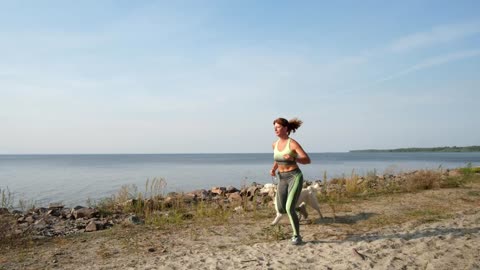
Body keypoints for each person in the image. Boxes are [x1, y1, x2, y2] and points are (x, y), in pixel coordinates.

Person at [270, 117, 311, 245]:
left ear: (286, 128)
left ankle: (296, 236)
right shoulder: (274, 144)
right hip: (281, 178)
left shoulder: (292, 143)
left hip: (294, 176)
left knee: (289, 208)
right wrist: (273, 169)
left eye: (278, 127)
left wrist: (294, 159)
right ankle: (300, 209)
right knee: (281, 209)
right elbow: (277, 159)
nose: (275, 129)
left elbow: (307, 160)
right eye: (274, 127)